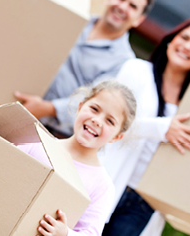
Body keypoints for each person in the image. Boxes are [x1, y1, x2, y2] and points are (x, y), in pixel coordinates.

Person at [99, 17, 190, 236]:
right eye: (185, 37)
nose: (188, 47)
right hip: (108, 182)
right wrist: (162, 129)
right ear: (170, 40)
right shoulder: (136, 70)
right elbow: (109, 123)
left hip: (145, 205)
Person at [14, 0, 155, 138]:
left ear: (139, 19)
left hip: (53, 134)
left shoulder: (124, 62)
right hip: (15, 103)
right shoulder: (72, 21)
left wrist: (45, 108)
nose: (123, 7)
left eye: (133, 6)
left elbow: (95, 101)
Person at [18, 80, 137, 235]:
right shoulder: (36, 143)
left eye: (109, 121)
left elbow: (90, 233)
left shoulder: (102, 186)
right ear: (80, 107)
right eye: (94, 109)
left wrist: (65, 233)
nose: (97, 120)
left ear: (117, 137)